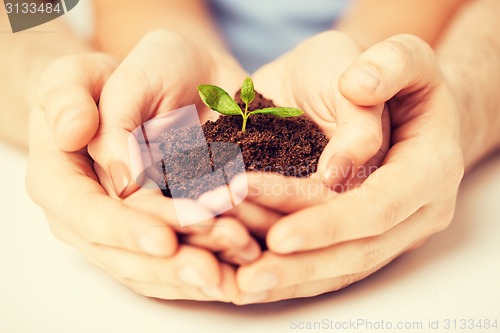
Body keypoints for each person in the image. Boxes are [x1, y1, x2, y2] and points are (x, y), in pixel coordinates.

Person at [2, 0, 499, 304]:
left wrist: (420, 93)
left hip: (384, 65)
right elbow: (27, 6)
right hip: (163, 72)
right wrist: (58, 85)